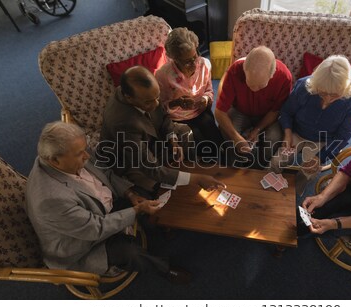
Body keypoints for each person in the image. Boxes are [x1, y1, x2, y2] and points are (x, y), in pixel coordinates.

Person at [26, 121, 191, 283]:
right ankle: (164, 269)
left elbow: (105, 172)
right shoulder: (50, 199)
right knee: (130, 252)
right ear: (54, 161)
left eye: (85, 150)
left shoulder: (72, 151)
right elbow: (96, 228)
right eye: (80, 154)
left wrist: (129, 194)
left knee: (143, 194)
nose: (87, 156)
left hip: (101, 208)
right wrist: (136, 210)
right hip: (83, 243)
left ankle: (155, 225)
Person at [99, 65, 226, 195]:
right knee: (154, 186)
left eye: (157, 97)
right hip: (128, 158)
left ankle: (182, 171)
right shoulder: (122, 122)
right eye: (148, 102)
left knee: (184, 131)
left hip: (151, 139)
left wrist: (173, 141)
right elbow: (149, 166)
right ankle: (174, 186)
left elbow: (163, 116)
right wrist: (196, 178)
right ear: (129, 98)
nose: (156, 104)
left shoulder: (146, 93)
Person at [270, 55, 351, 195]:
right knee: (276, 162)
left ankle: (293, 195)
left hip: (322, 140)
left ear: (345, 89)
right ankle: (265, 193)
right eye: (323, 93)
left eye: (335, 95)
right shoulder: (304, 86)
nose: (327, 99)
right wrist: (288, 134)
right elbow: (286, 112)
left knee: (309, 172)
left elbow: (344, 136)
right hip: (296, 131)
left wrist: (320, 157)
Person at [214, 46, 292, 167]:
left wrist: (258, 129)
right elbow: (219, 112)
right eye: (249, 84)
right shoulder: (235, 70)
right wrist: (236, 138)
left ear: (272, 74)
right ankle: (235, 165)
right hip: (240, 111)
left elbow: (275, 111)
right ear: (245, 69)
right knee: (226, 132)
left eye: (260, 86)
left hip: (267, 115)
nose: (254, 90)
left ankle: (260, 167)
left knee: (274, 138)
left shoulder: (284, 77)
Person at [155, 27, 223, 160]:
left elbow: (209, 91)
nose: (194, 63)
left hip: (200, 111)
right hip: (178, 118)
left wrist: (204, 99)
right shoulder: (163, 75)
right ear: (175, 59)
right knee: (196, 147)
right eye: (187, 61)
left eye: (195, 56)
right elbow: (160, 108)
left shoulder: (205, 64)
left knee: (217, 142)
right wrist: (177, 102)